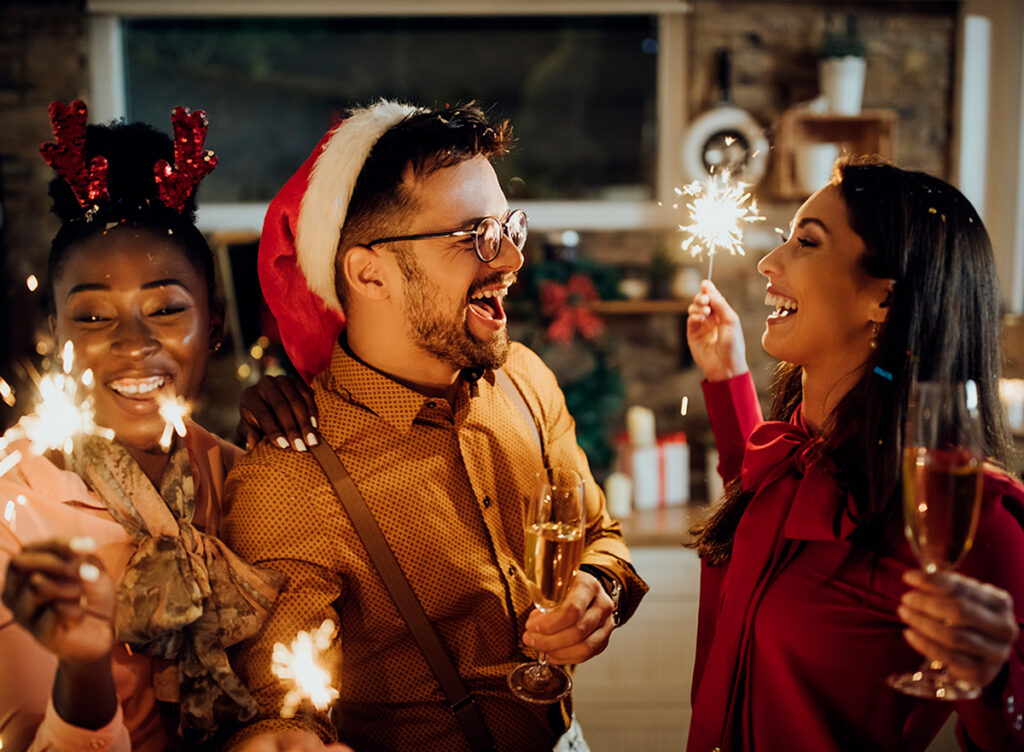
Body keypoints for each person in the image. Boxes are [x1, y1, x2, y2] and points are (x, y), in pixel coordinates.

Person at [221, 101, 648, 752]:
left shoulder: (525, 379)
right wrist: (281, 737)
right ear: (369, 272)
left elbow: (599, 533)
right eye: (475, 234)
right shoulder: (291, 479)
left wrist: (601, 587)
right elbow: (282, 710)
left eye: (510, 227)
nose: (510, 260)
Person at [0, 101, 331, 752]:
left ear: (215, 326)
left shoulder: (238, 475)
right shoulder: (15, 508)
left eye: (166, 308)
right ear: (51, 332)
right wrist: (85, 664)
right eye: (94, 317)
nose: (133, 342)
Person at [684, 155, 1023, 751]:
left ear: (883, 301)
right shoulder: (795, 451)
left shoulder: (969, 515)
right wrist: (727, 377)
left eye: (807, 243)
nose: (768, 262)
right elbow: (761, 504)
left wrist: (994, 684)